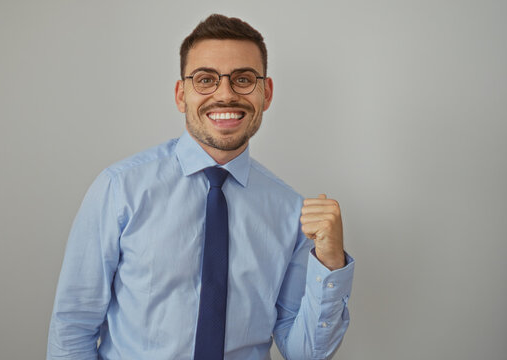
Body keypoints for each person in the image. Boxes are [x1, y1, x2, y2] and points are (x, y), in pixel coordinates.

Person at [47, 14, 354, 360]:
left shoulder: (291, 212)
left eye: (243, 79)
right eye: (206, 79)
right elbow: (74, 326)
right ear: (182, 95)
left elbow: (305, 354)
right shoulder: (119, 190)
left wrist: (329, 263)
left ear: (266, 94)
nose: (225, 94)